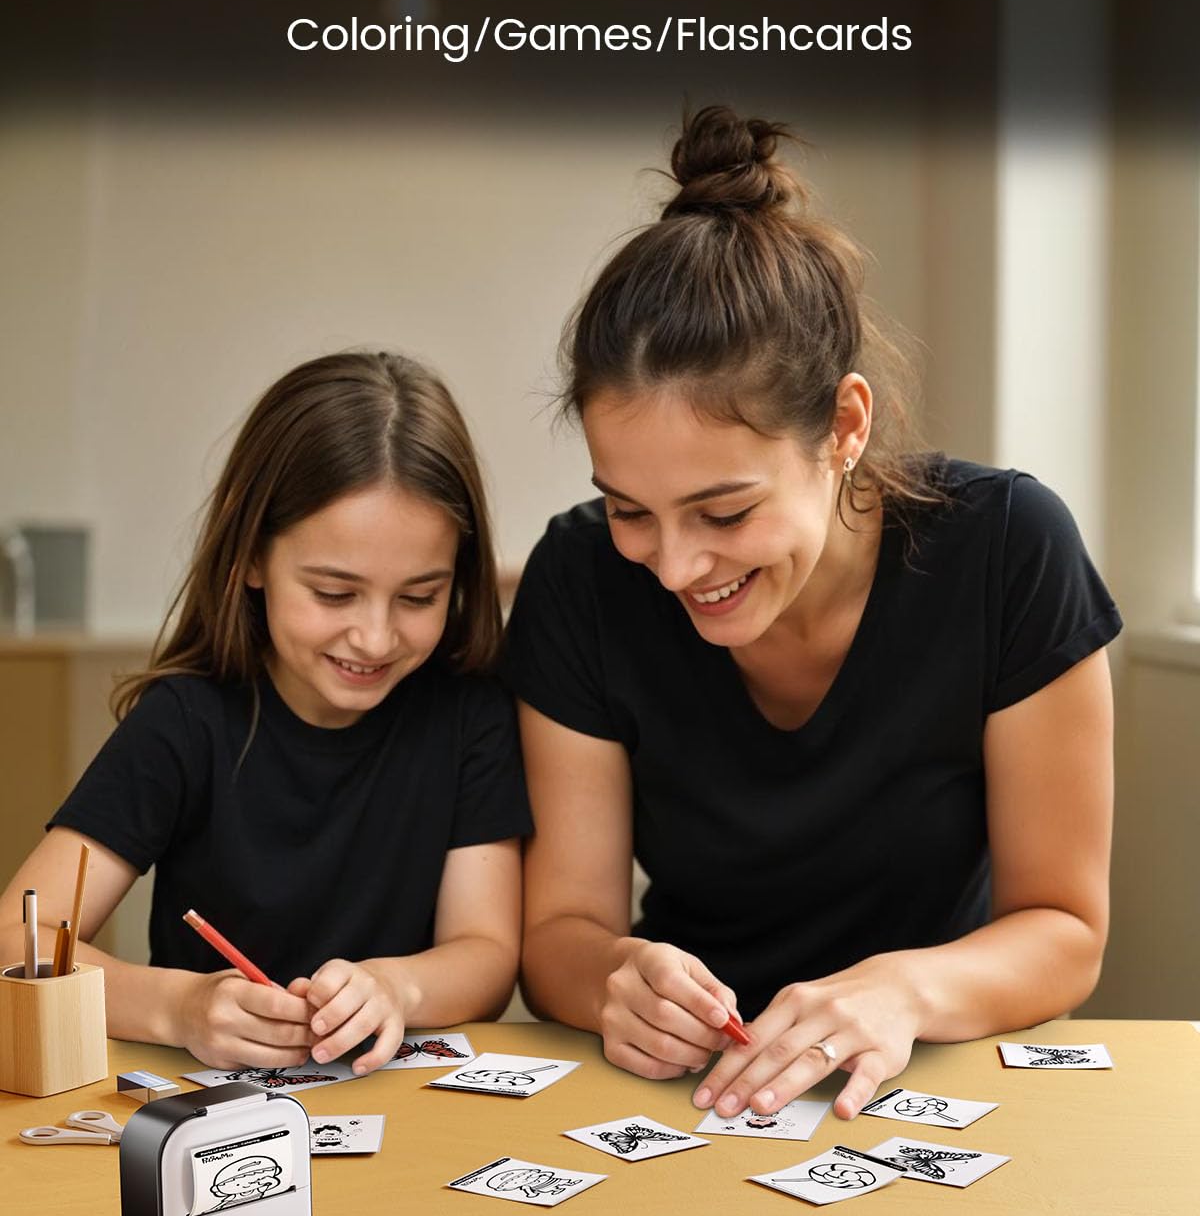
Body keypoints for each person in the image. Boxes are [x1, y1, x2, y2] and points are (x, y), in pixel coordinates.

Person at [504, 106, 1120, 1122]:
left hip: (932, 1073)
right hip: (687, 1092)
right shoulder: (578, 578)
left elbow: (1062, 930)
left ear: (844, 426)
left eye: (725, 510)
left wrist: (904, 990)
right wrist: (613, 977)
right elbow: (561, 934)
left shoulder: (1009, 549)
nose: (675, 565)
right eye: (630, 511)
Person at [0, 351, 530, 1075]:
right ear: (251, 559)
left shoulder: (472, 718)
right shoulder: (185, 721)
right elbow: (18, 941)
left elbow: (488, 953)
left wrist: (395, 986)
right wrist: (176, 1007)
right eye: (334, 593)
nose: (375, 637)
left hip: (402, 1117)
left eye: (418, 597)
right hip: (206, 1125)